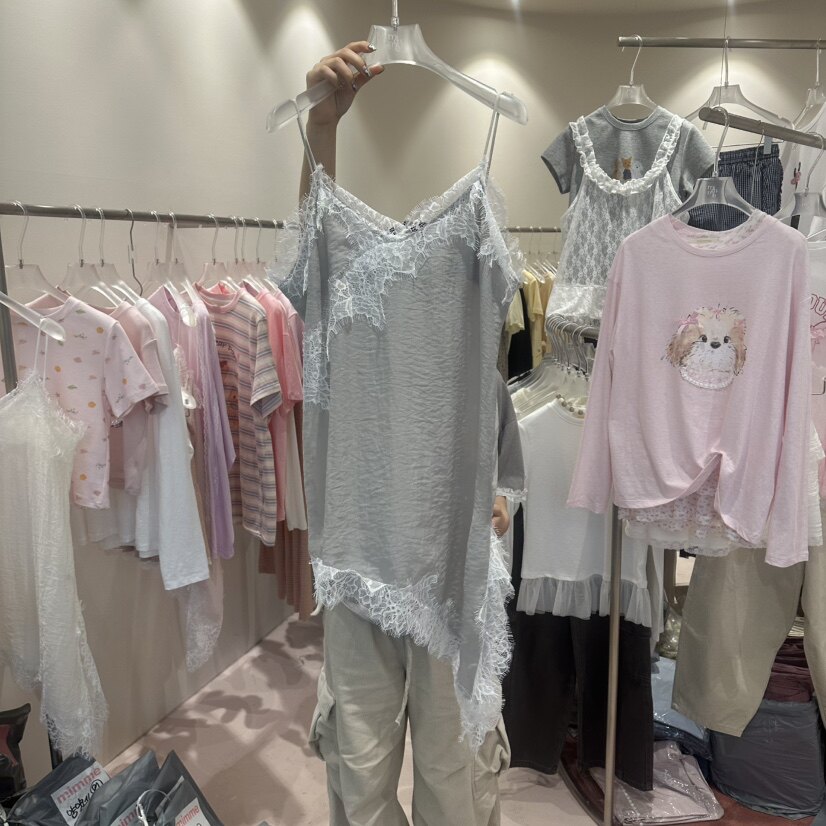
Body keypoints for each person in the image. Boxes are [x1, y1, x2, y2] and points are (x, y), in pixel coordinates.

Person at [297, 43, 524, 826]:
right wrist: (321, 127)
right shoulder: (331, 252)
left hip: (449, 562)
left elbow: (496, 419)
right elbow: (313, 233)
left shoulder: (477, 227)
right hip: (355, 555)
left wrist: (501, 495)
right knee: (358, 777)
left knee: (454, 779)